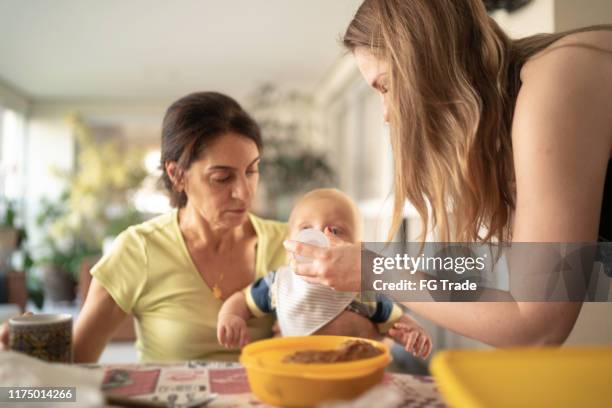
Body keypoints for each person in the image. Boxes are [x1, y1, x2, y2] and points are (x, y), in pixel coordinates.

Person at [284, 0, 612, 347]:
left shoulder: (555, 80)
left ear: (425, 61)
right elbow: (521, 298)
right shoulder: (512, 131)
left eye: (386, 86)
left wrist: (375, 271)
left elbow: (538, 327)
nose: (385, 114)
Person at [0, 92, 378, 362]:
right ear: (177, 175)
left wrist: (323, 334)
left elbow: (372, 330)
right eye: (221, 178)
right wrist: (24, 357)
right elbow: (77, 363)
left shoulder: (294, 245)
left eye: (251, 171)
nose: (243, 192)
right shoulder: (138, 250)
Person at [217, 188, 432, 358]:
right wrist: (231, 316)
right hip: (294, 374)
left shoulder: (359, 289)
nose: (318, 237)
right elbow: (243, 301)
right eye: (306, 229)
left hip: (348, 379)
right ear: (288, 242)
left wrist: (412, 333)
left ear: (357, 249)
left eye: (335, 231)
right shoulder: (279, 284)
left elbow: (397, 321)